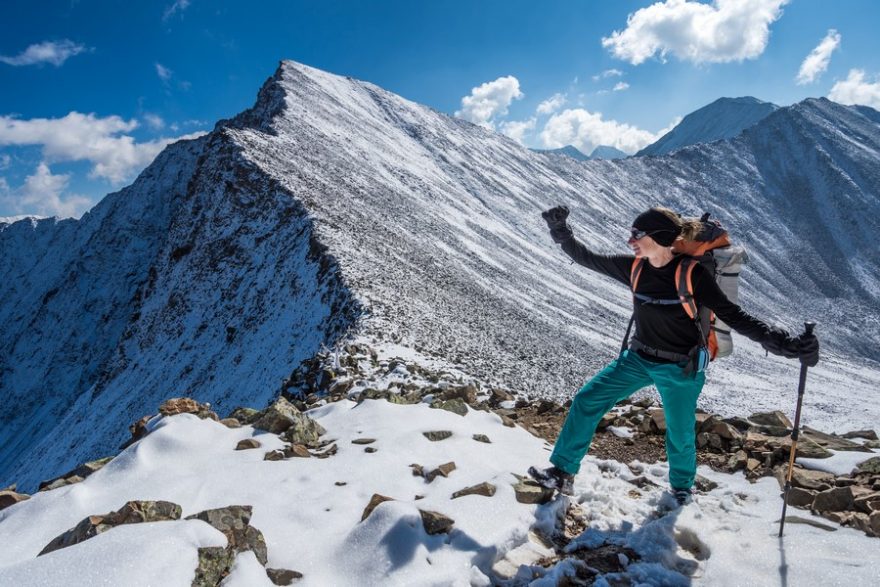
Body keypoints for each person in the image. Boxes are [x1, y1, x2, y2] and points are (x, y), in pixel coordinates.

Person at [529, 205, 820, 503]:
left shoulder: (692, 275)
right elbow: (584, 257)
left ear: (658, 237)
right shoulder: (634, 268)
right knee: (588, 399)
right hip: (638, 359)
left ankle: (681, 488)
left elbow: (734, 315)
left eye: (637, 234)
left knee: (679, 435)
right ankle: (563, 472)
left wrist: (783, 344)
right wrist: (560, 229)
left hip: (680, 367)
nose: (630, 241)